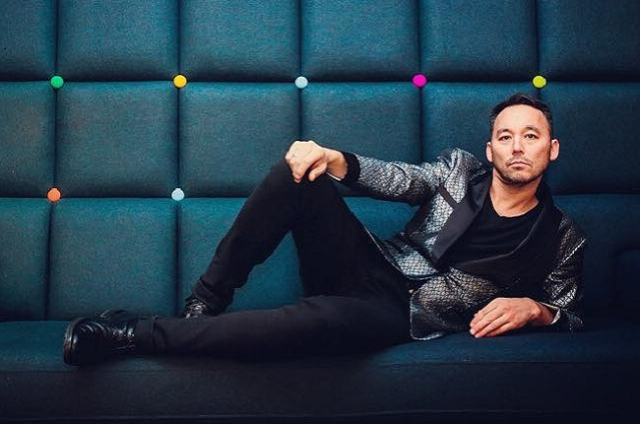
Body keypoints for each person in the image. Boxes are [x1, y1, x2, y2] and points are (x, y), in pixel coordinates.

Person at [63, 93, 586, 366]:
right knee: (296, 174)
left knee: (320, 320)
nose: (518, 147)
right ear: (491, 149)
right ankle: (205, 301)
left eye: (531, 136)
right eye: (506, 137)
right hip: (370, 263)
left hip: (398, 314)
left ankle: (130, 333)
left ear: (553, 148)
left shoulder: (561, 237)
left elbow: (571, 312)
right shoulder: (459, 170)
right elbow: (400, 178)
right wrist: (334, 159)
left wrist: (536, 309)